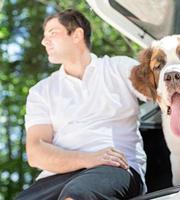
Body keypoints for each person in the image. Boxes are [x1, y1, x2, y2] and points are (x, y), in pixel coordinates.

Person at [16, 9, 146, 200]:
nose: (44, 41)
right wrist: (88, 158)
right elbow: (36, 151)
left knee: (78, 195)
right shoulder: (41, 90)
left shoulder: (119, 68)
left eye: (52, 33)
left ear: (77, 34)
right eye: (44, 36)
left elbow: (160, 91)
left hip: (113, 167)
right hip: (54, 177)